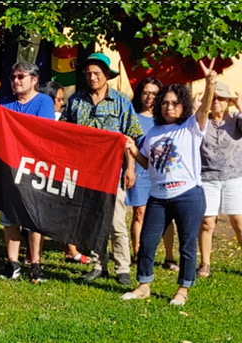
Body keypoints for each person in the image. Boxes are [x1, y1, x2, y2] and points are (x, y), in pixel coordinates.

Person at [122, 59, 215, 306]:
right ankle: (144, 285)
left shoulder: (191, 126)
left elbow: (205, 108)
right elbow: (148, 164)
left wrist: (210, 83)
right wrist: (133, 151)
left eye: (174, 103)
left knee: (186, 244)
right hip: (158, 196)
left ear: (183, 105)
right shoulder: (153, 132)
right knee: (147, 242)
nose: (168, 107)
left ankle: (182, 290)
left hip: (187, 195)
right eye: (164, 102)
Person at [61, 52, 143, 285]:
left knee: (117, 221)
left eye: (96, 73)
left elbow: (130, 138)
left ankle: (123, 268)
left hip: (113, 171)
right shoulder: (76, 101)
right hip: (85, 171)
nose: (92, 77)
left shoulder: (120, 102)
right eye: (88, 73)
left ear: (107, 75)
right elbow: (64, 133)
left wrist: (131, 168)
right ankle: (99, 264)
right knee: (93, 221)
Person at [0, 61, 55, 281]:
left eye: (21, 77)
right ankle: (13, 264)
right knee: (9, 216)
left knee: (34, 217)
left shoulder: (44, 101)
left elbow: (43, 132)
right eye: (13, 77)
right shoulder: (6, 103)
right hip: (10, 165)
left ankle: (36, 264)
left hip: (34, 166)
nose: (15, 81)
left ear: (34, 80)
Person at [127, 77, 178, 271]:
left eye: (155, 94)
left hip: (162, 172)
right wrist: (130, 168)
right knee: (139, 213)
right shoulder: (133, 117)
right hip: (140, 171)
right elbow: (129, 145)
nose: (150, 97)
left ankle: (169, 256)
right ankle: (139, 253)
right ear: (140, 94)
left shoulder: (165, 119)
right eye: (146, 92)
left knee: (167, 215)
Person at [37, 80, 90, 265]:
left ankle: (71, 249)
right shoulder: (39, 115)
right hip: (42, 168)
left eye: (62, 100)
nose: (60, 103)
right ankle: (35, 253)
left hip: (63, 168)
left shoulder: (64, 118)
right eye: (57, 99)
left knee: (69, 208)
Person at [197, 81, 242, 278]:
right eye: (213, 98)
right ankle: (205, 263)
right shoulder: (202, 120)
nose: (217, 102)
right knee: (207, 222)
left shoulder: (236, 119)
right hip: (207, 178)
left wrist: (240, 107)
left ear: (228, 102)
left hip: (234, 178)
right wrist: (196, 105)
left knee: (238, 222)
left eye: (221, 98)